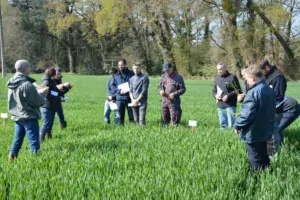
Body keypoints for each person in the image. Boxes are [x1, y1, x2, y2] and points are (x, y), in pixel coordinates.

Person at [234, 65, 276, 172]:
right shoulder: (269, 90)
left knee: (255, 158)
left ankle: (255, 179)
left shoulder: (252, 92)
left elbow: (246, 115)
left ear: (253, 78)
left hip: (254, 131)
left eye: (247, 79)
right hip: (266, 129)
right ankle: (267, 176)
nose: (247, 82)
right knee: (264, 155)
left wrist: (237, 125)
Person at [6, 60, 48, 161]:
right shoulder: (26, 84)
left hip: (17, 116)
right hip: (28, 117)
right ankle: (35, 164)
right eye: (29, 67)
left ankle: (10, 160)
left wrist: (37, 91)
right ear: (25, 68)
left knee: (17, 142)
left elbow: (22, 97)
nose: (30, 69)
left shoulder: (12, 82)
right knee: (34, 143)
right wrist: (43, 93)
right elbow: (37, 102)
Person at [258, 59, 287, 155]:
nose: (261, 74)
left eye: (261, 71)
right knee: (270, 131)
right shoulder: (267, 76)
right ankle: (271, 151)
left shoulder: (278, 77)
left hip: (275, 110)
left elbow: (278, 97)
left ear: (267, 67)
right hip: (267, 109)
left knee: (274, 131)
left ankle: (275, 153)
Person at [40, 67, 70, 140]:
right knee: (46, 124)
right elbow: (47, 95)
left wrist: (66, 88)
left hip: (53, 105)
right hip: (47, 105)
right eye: (55, 74)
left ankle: (49, 137)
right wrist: (59, 98)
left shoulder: (51, 81)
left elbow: (57, 92)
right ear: (52, 75)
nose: (57, 76)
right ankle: (40, 140)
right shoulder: (46, 82)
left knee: (50, 123)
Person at [212, 62, 242, 129]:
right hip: (220, 105)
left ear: (225, 68)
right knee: (222, 125)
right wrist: (215, 96)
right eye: (218, 69)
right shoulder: (216, 78)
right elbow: (214, 91)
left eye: (220, 69)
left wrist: (228, 96)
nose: (219, 71)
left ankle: (232, 136)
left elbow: (238, 90)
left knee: (231, 125)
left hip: (230, 105)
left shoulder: (232, 77)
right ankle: (223, 137)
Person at [109, 59, 134, 125]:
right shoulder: (116, 75)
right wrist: (119, 91)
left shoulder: (132, 73)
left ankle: (134, 129)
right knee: (120, 117)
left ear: (125, 65)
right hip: (119, 99)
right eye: (119, 65)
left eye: (122, 65)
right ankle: (121, 130)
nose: (120, 66)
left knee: (132, 116)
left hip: (130, 98)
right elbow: (112, 87)